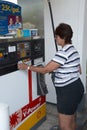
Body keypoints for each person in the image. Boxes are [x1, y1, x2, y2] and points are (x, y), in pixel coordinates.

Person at [17, 23, 84, 130]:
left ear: (64, 37)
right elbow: (78, 70)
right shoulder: (73, 50)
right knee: (71, 119)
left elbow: (45, 70)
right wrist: (58, 71)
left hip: (68, 92)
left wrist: (27, 67)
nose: (55, 38)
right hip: (77, 87)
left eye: (57, 36)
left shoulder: (63, 52)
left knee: (64, 125)